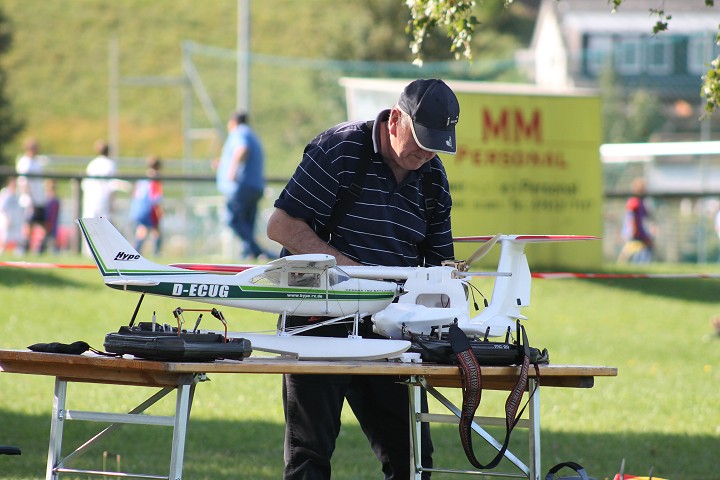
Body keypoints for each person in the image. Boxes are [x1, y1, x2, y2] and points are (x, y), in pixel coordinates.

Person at [266, 78, 460, 480]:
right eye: (421, 140)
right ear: (394, 121)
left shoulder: (434, 180)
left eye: (436, 145)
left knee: (414, 457)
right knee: (309, 457)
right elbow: (281, 225)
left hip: (389, 331)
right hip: (316, 318)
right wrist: (351, 272)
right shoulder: (339, 148)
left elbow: (440, 269)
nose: (426, 154)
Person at [216, 111, 273, 260]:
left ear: (233, 122)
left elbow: (242, 149)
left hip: (242, 187)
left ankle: (257, 250)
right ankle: (250, 252)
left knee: (232, 218)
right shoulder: (252, 134)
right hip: (254, 186)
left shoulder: (239, 133)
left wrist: (232, 170)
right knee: (247, 222)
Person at [15, 137, 49, 254]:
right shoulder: (25, 162)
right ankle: (24, 247)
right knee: (28, 224)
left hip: (39, 198)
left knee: (43, 223)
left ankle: (40, 248)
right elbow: (24, 182)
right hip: (29, 199)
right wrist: (29, 198)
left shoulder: (36, 162)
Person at [130, 155, 163, 255]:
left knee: (142, 230)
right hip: (148, 207)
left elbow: (135, 193)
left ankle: (135, 252)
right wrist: (159, 210)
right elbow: (156, 197)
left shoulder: (142, 178)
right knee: (156, 230)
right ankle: (156, 253)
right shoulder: (156, 178)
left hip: (138, 207)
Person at [618, 177, 654, 263]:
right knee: (631, 248)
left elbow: (647, 214)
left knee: (642, 246)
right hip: (634, 230)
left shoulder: (641, 202)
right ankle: (624, 263)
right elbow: (631, 217)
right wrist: (633, 230)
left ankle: (635, 263)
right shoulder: (634, 202)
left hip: (639, 230)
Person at [82, 139, 117, 220]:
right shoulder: (110, 164)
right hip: (103, 200)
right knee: (103, 228)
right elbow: (112, 186)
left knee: (88, 228)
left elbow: (85, 185)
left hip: (90, 200)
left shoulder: (92, 164)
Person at [0, 177, 23, 254]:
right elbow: (2, 207)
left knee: (17, 235)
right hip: (7, 218)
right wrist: (6, 218)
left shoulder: (17, 194)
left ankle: (18, 250)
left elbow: (19, 207)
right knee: (5, 235)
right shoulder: (5, 194)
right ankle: (2, 249)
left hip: (16, 219)